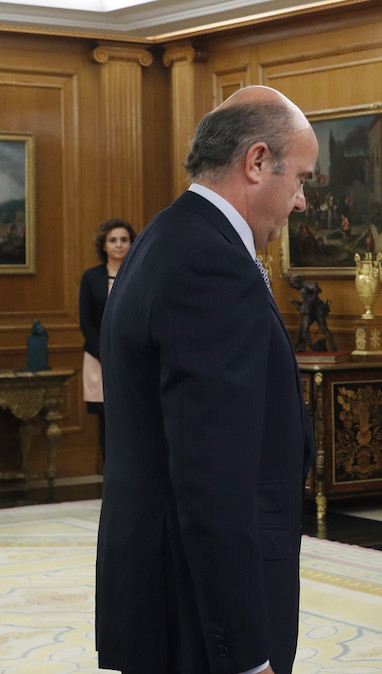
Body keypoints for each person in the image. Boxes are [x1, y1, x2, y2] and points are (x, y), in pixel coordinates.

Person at [95, 85, 318, 674]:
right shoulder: (211, 264)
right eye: (300, 179)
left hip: (160, 587)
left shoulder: (165, 238)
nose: (301, 203)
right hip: (194, 612)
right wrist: (243, 652)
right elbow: (212, 476)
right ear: (257, 162)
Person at [78, 218, 136, 461]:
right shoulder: (91, 278)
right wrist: (106, 354)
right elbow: (86, 321)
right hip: (98, 360)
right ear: (103, 245)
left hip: (133, 359)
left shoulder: (138, 275)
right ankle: (109, 479)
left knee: (133, 418)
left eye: (124, 240)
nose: (119, 245)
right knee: (107, 420)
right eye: (113, 240)